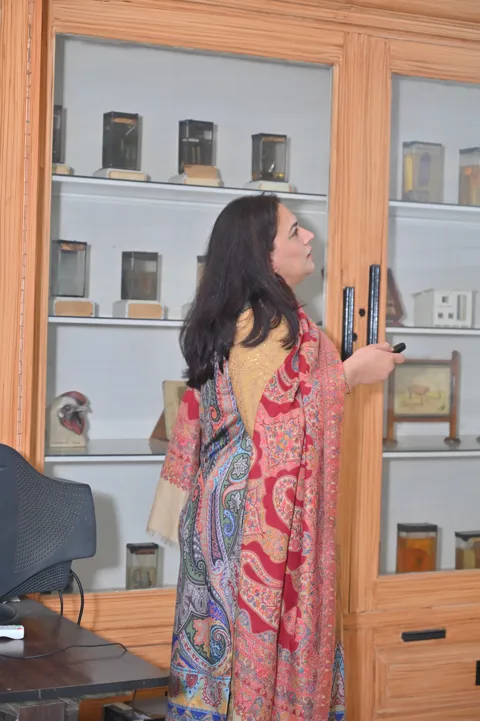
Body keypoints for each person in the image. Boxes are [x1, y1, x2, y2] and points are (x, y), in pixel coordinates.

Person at [148, 194, 404, 721]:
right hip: (254, 521)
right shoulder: (263, 325)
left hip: (231, 508)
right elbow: (274, 420)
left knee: (226, 651)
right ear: (264, 255)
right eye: (294, 231)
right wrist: (350, 374)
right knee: (246, 660)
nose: (309, 237)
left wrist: (345, 372)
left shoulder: (255, 317)